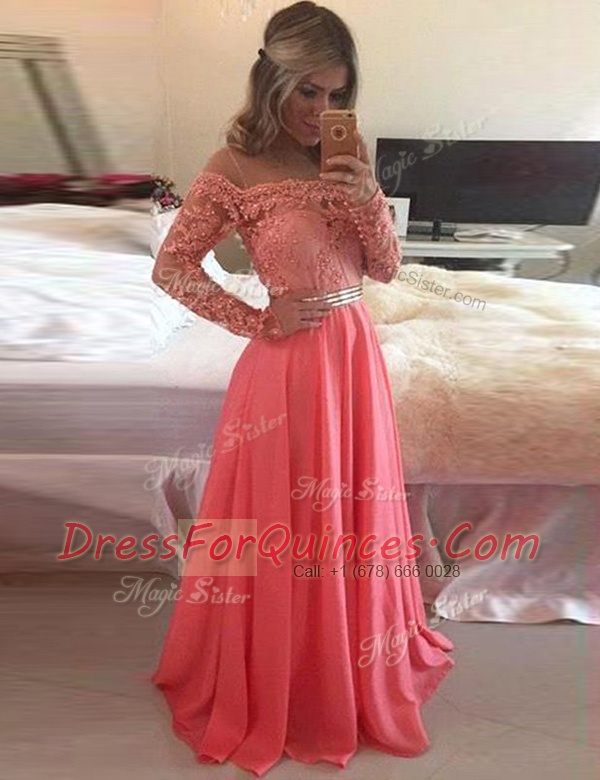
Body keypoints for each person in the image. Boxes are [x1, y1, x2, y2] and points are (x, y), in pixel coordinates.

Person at [151, 2, 454, 775]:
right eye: (308, 91)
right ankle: (278, 671)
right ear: (273, 81)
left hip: (353, 357)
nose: (322, 110)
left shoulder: (348, 159)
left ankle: (352, 658)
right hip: (284, 363)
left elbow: (385, 268)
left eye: (337, 94)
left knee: (351, 509)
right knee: (281, 519)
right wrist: (258, 317)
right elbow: (172, 266)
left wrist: (368, 196)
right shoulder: (234, 166)